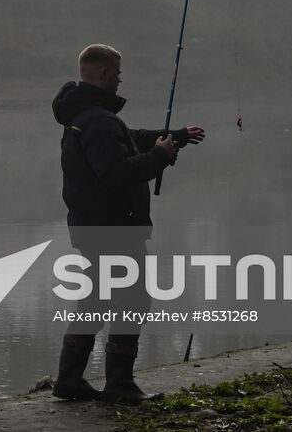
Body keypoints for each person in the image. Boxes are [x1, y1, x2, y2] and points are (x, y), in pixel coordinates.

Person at [50, 43, 205, 403]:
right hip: (112, 230)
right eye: (117, 71)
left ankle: (69, 381)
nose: (120, 78)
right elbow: (116, 172)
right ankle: (119, 385)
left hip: (93, 227)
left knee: (97, 299)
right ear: (103, 73)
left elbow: (128, 140)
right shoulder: (99, 121)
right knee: (132, 299)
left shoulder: (85, 115)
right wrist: (160, 157)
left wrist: (174, 137)